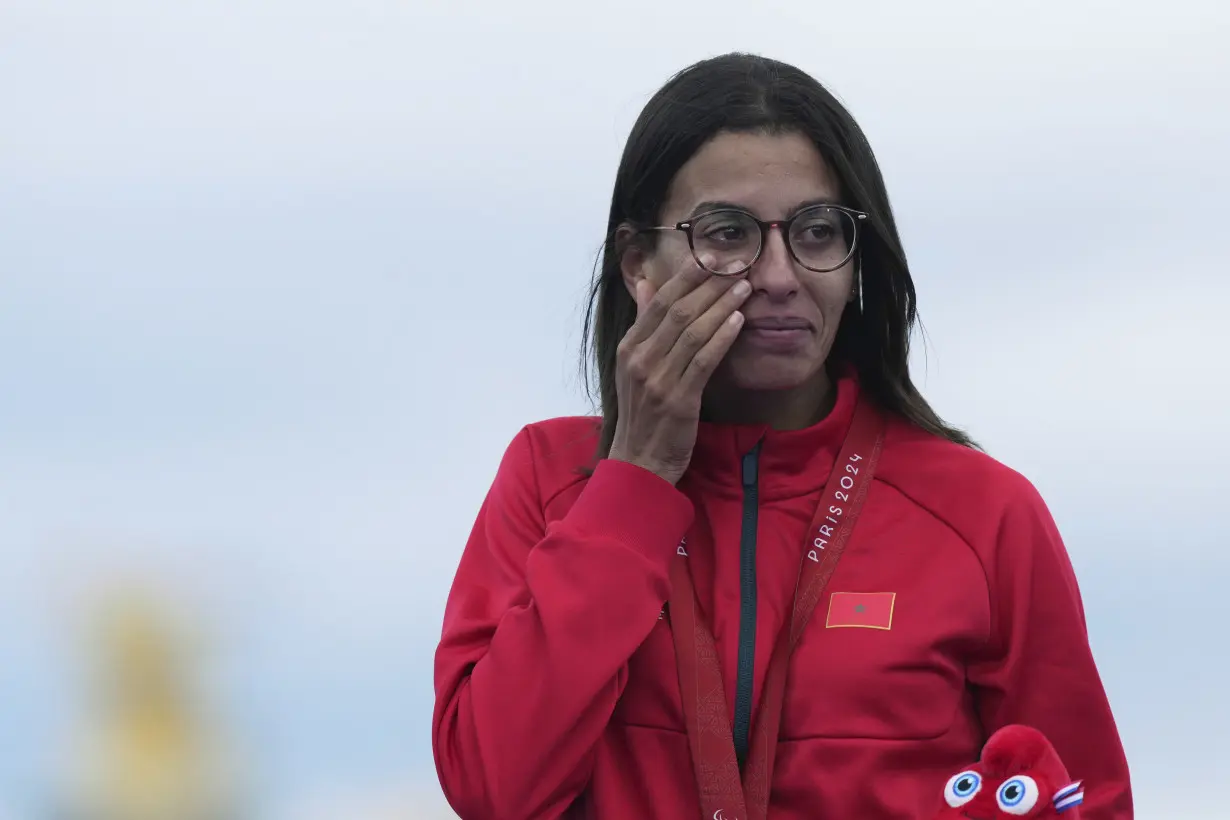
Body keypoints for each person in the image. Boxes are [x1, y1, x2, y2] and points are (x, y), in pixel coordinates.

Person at [431, 52, 1133, 820]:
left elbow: (1087, 802)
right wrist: (634, 478)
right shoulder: (551, 479)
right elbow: (494, 788)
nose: (776, 275)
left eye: (817, 230)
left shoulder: (983, 511)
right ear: (639, 265)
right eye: (728, 233)